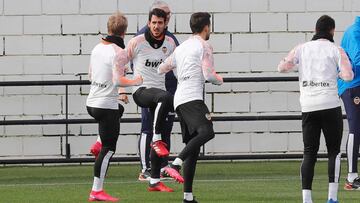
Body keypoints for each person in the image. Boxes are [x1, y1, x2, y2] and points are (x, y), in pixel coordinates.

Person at [277, 15, 354, 203]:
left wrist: (295, 65)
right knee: (333, 151)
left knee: (309, 151)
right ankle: (332, 197)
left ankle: (307, 199)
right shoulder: (336, 50)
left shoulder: (301, 48)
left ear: (315, 30)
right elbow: (349, 75)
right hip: (330, 104)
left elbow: (282, 67)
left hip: (309, 106)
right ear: (332, 31)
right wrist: (338, 74)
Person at [158, 12, 223, 203]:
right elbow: (209, 75)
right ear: (206, 27)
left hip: (180, 100)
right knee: (207, 132)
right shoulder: (204, 45)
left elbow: (162, 67)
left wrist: (181, 72)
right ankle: (175, 165)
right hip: (193, 98)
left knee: (192, 148)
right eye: (209, 26)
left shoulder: (181, 48)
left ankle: (187, 197)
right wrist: (220, 80)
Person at [86, 12, 142, 202]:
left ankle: (98, 141)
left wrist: (117, 92)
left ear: (108, 28)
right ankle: (96, 190)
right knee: (109, 149)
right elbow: (119, 80)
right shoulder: (118, 52)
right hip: (105, 106)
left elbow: (91, 75)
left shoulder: (96, 48)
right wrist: (136, 80)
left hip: (91, 103)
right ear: (124, 32)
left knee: (120, 110)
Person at [127, 8, 177, 192]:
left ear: (165, 24)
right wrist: (124, 88)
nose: (156, 26)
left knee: (164, 129)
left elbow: (178, 65)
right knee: (152, 130)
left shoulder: (170, 43)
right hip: (142, 91)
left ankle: (155, 179)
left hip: (161, 95)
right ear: (148, 23)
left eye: (160, 23)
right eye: (153, 22)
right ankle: (145, 167)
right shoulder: (137, 41)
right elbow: (121, 61)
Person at [337, 16, 360, 191]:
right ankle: (352, 177)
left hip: (356, 84)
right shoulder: (355, 32)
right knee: (356, 128)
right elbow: (357, 63)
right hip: (352, 86)